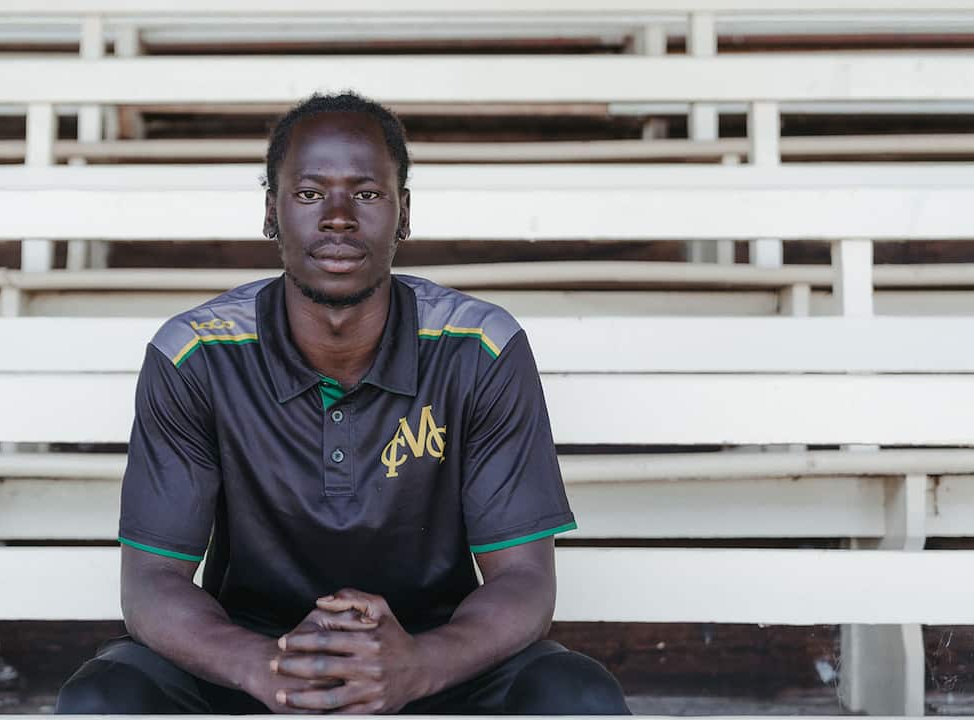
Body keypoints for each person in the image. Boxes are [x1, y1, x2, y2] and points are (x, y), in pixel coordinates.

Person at [56, 92, 629, 715]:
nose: (337, 217)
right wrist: (269, 667)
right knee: (103, 698)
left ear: (403, 214)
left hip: (433, 663)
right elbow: (150, 584)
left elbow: (525, 581)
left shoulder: (481, 348)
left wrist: (419, 666)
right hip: (249, 669)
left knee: (577, 696)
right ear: (272, 213)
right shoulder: (193, 355)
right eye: (308, 195)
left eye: (367, 193)